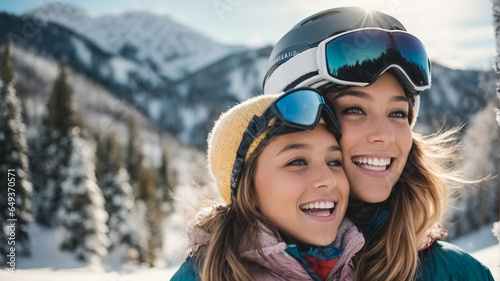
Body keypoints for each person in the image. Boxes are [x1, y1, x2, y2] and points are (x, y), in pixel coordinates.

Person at [262, 6, 494, 281]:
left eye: (398, 114)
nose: (385, 135)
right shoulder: (214, 270)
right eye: (354, 110)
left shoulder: (460, 274)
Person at [170, 87, 365, 281]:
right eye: (297, 162)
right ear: (248, 189)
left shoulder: (360, 263)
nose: (329, 180)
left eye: (334, 162)